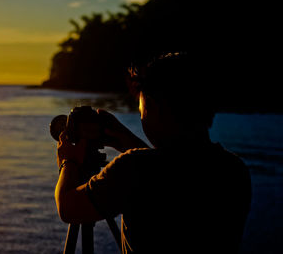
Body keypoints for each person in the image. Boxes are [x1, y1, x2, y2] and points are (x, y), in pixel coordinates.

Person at [54, 52, 251, 254]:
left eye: (142, 109)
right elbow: (175, 176)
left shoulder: (133, 168)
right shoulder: (234, 170)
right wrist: (128, 141)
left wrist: (68, 161)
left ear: (155, 107)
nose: (141, 116)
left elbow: (68, 207)